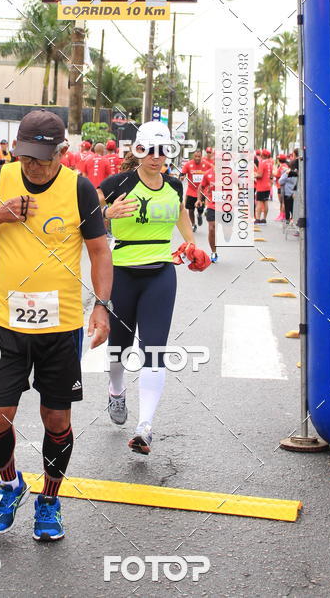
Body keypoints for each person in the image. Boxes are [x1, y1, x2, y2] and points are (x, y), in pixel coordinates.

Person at [0, 110, 112, 542]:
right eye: (28, 157)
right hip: (5, 323)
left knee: (56, 420)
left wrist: (101, 306)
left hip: (60, 327)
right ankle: (10, 484)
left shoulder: (79, 188)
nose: (35, 167)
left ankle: (49, 499)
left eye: (44, 158)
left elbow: (100, 252)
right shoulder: (0, 179)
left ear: (62, 152)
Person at [98, 122, 210, 455]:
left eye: (162, 151)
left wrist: (192, 245)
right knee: (119, 347)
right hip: (122, 273)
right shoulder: (118, 183)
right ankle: (116, 390)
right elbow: (85, 213)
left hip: (161, 273)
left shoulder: (175, 185)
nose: (156, 157)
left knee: (155, 350)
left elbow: (182, 215)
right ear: (138, 151)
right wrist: (106, 212)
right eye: (149, 150)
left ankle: (145, 427)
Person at [180, 148, 210, 231]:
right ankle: (193, 224)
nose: (197, 158)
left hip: (202, 192)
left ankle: (200, 215)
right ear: (193, 156)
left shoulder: (206, 164)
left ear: (201, 156)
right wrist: (182, 177)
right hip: (191, 191)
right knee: (190, 209)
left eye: (199, 156)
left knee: (200, 208)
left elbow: (212, 172)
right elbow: (182, 173)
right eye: (196, 156)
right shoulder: (188, 164)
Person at [198, 164, 218, 262]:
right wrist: (199, 199)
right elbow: (201, 187)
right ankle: (213, 252)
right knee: (211, 228)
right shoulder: (208, 174)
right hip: (212, 205)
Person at [255, 148, 273, 223]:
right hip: (267, 186)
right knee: (265, 202)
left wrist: (254, 175)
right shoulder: (270, 163)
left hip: (261, 186)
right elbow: (271, 175)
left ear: (262, 155)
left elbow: (260, 175)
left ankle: (258, 219)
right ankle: (264, 218)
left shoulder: (262, 163)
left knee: (259, 202)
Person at [279, 158, 298, 223]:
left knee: (293, 210)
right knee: (288, 209)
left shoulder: (297, 173)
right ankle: (288, 220)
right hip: (288, 194)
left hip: (293, 194)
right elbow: (280, 181)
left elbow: (281, 181)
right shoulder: (288, 172)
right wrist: (287, 173)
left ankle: (292, 221)